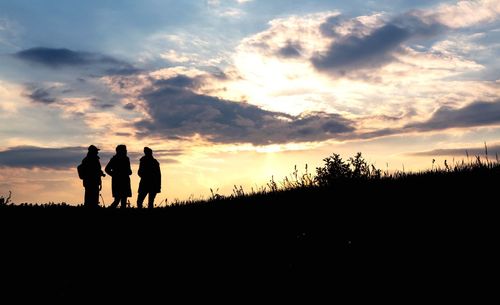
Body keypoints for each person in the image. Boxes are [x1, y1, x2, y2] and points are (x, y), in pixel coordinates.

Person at [105, 144, 132, 208]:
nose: (126, 151)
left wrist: (114, 175)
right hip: (118, 182)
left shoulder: (126, 159)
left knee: (123, 199)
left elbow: (129, 170)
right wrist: (114, 175)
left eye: (126, 150)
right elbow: (107, 169)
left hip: (124, 181)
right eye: (125, 150)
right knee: (117, 199)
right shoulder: (115, 159)